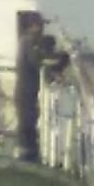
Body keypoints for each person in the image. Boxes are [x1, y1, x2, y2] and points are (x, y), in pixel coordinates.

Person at [14, 15, 63, 162]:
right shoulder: (28, 42)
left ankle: (29, 149)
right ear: (33, 26)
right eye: (40, 26)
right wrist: (53, 70)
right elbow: (36, 62)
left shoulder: (25, 42)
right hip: (26, 88)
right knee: (27, 119)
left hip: (27, 88)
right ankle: (27, 151)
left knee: (29, 118)